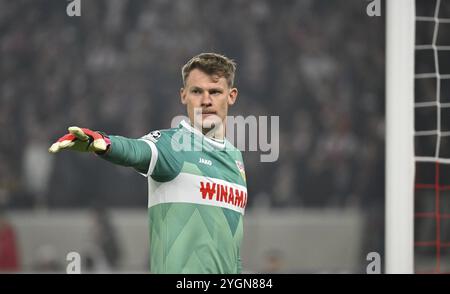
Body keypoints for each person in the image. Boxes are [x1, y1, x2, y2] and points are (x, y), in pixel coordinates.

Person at [49, 53, 248, 274]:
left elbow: (232, 250)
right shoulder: (171, 145)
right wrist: (103, 143)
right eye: (196, 91)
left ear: (231, 96)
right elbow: (137, 151)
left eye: (215, 92)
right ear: (183, 96)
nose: (206, 100)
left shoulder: (235, 158)